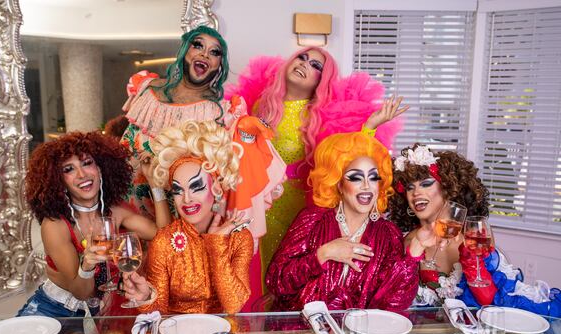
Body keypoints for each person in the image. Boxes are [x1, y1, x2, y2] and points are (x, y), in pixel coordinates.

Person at [226, 47, 408, 281]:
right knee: (251, 271)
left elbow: (349, 154)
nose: (305, 64)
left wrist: (370, 126)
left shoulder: (321, 115)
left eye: (315, 65)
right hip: (258, 202)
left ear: (320, 81)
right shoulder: (260, 105)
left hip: (298, 206)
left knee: (287, 271)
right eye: (302, 58)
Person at [265, 132, 438, 312]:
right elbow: (276, 282)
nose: (366, 185)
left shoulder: (387, 234)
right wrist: (323, 254)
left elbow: (392, 305)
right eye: (355, 177)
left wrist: (416, 249)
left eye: (373, 178)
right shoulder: (312, 219)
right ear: (338, 183)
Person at [389, 144, 561, 316]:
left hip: (479, 323)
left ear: (448, 188)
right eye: (410, 187)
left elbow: (489, 302)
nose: (416, 193)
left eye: (426, 184)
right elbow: (398, 298)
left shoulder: (474, 235)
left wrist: (471, 261)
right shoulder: (410, 241)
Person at [17, 132, 168, 320]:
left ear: (100, 168)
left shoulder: (116, 211)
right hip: (53, 311)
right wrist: (87, 264)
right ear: (58, 180)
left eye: (87, 163)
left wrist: (155, 184)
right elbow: (81, 293)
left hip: (99, 312)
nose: (82, 175)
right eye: (69, 169)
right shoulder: (55, 225)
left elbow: (164, 236)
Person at [122, 120, 253, 314]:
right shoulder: (164, 242)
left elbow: (233, 305)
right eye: (178, 190)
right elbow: (158, 310)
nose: (187, 199)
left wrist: (217, 244)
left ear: (216, 186)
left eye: (196, 186)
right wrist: (146, 297)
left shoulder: (239, 237)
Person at [121, 26, 246, 221]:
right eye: (198, 45)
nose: (205, 54)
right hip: (127, 208)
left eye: (215, 52)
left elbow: (217, 179)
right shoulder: (146, 90)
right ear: (184, 50)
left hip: (177, 219)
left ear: (219, 64)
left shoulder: (220, 112)